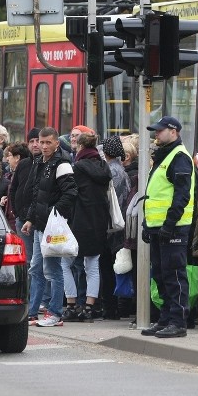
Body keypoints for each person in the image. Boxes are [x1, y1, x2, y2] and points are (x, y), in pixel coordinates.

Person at [140, 116, 195, 339]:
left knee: (173, 275)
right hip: (158, 227)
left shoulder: (179, 157)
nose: (156, 135)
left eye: (160, 131)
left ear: (174, 132)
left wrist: (169, 224)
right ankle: (165, 319)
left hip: (173, 228)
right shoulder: (164, 156)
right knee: (161, 276)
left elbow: (181, 195)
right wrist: (148, 224)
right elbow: (156, 195)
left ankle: (178, 321)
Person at [21, 127, 78, 327]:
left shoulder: (62, 164)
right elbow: (36, 196)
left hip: (51, 226)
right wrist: (30, 218)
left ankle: (55, 313)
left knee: (53, 270)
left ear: (56, 143)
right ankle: (33, 311)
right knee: (36, 268)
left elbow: (70, 193)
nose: (43, 146)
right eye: (40, 142)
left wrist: (54, 213)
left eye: (47, 142)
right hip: (39, 224)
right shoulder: (39, 162)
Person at [61, 133, 111, 322]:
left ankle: (72, 305)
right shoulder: (103, 167)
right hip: (99, 221)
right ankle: (90, 306)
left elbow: (70, 194)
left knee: (66, 263)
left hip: (79, 221)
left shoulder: (78, 167)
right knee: (92, 265)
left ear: (81, 147)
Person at [101, 135, 132, 319]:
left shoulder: (110, 171)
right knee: (120, 266)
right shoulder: (122, 171)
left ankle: (111, 308)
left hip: (112, 226)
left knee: (109, 268)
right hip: (122, 225)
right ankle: (121, 306)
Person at [8, 129, 40, 272]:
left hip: (39, 220)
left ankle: (43, 295)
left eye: (38, 141)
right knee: (27, 261)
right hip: (22, 218)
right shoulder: (24, 164)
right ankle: (29, 293)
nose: (35, 144)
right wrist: (17, 211)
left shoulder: (48, 163)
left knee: (39, 262)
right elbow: (14, 188)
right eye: (31, 141)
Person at [0, 142, 31, 229]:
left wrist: (16, 213)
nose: (7, 159)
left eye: (9, 155)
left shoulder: (24, 174)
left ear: (17, 158)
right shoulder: (12, 174)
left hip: (19, 219)